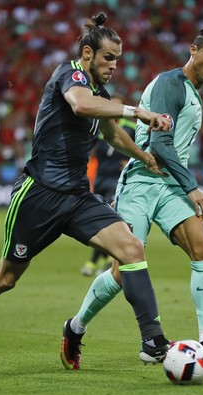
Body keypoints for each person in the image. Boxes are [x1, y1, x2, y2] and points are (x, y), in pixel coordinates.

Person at [0, 13, 173, 368]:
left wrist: (144, 156)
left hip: (78, 196)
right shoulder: (70, 73)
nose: (113, 66)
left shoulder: (101, 95)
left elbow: (110, 134)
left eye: (117, 61)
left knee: (131, 247)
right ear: (88, 53)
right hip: (39, 194)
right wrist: (134, 111)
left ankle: (153, 341)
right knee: (5, 279)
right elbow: (79, 104)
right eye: (108, 58)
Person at [62, 27, 203, 370]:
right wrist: (192, 185)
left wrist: (183, 183)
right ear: (193, 50)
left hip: (170, 185)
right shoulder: (170, 84)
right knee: (121, 271)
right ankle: (75, 327)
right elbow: (159, 144)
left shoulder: (191, 91)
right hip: (142, 183)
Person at [80, 94, 136, 277]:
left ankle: (94, 261)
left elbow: (141, 150)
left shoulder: (131, 129)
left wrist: (130, 161)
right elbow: (88, 147)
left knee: (109, 218)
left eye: (117, 106)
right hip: (101, 178)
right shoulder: (100, 128)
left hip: (118, 180)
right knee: (98, 220)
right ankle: (104, 259)